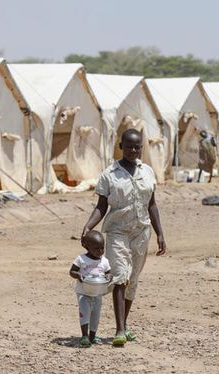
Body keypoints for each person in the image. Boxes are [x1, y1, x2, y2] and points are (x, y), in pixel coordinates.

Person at [82, 128, 167, 347]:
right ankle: (119, 330)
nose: (133, 150)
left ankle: (125, 324)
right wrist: (89, 225)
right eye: (128, 146)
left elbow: (152, 204)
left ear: (142, 148)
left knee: (133, 279)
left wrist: (160, 234)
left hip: (141, 232)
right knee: (120, 275)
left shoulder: (147, 171)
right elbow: (101, 206)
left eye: (137, 146)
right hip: (118, 231)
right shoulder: (110, 174)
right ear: (120, 147)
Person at [69, 230, 111, 348]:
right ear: (87, 247)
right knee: (85, 312)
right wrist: (78, 275)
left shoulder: (104, 261)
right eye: (96, 248)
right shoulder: (81, 259)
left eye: (102, 248)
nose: (100, 251)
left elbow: (108, 272)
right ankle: (84, 336)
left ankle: (93, 336)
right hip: (83, 292)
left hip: (97, 293)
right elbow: (72, 271)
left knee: (96, 314)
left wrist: (108, 276)